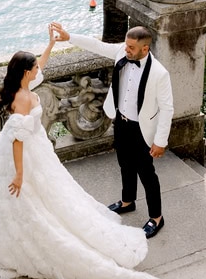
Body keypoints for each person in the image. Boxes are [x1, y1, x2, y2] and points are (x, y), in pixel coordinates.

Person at [0, 25, 161, 279]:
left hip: (36, 148)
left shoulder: (21, 86)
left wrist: (50, 45)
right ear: (26, 73)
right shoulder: (22, 99)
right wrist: (20, 174)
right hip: (25, 152)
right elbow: (17, 141)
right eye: (34, 68)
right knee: (30, 200)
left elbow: (42, 67)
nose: (39, 71)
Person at [51, 23, 173, 240]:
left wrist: (160, 141)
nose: (126, 50)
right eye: (126, 45)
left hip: (142, 129)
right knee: (125, 164)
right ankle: (128, 201)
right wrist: (69, 36)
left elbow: (167, 108)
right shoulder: (121, 51)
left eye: (131, 48)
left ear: (145, 49)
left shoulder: (159, 74)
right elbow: (97, 45)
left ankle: (156, 217)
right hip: (121, 122)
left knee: (147, 174)